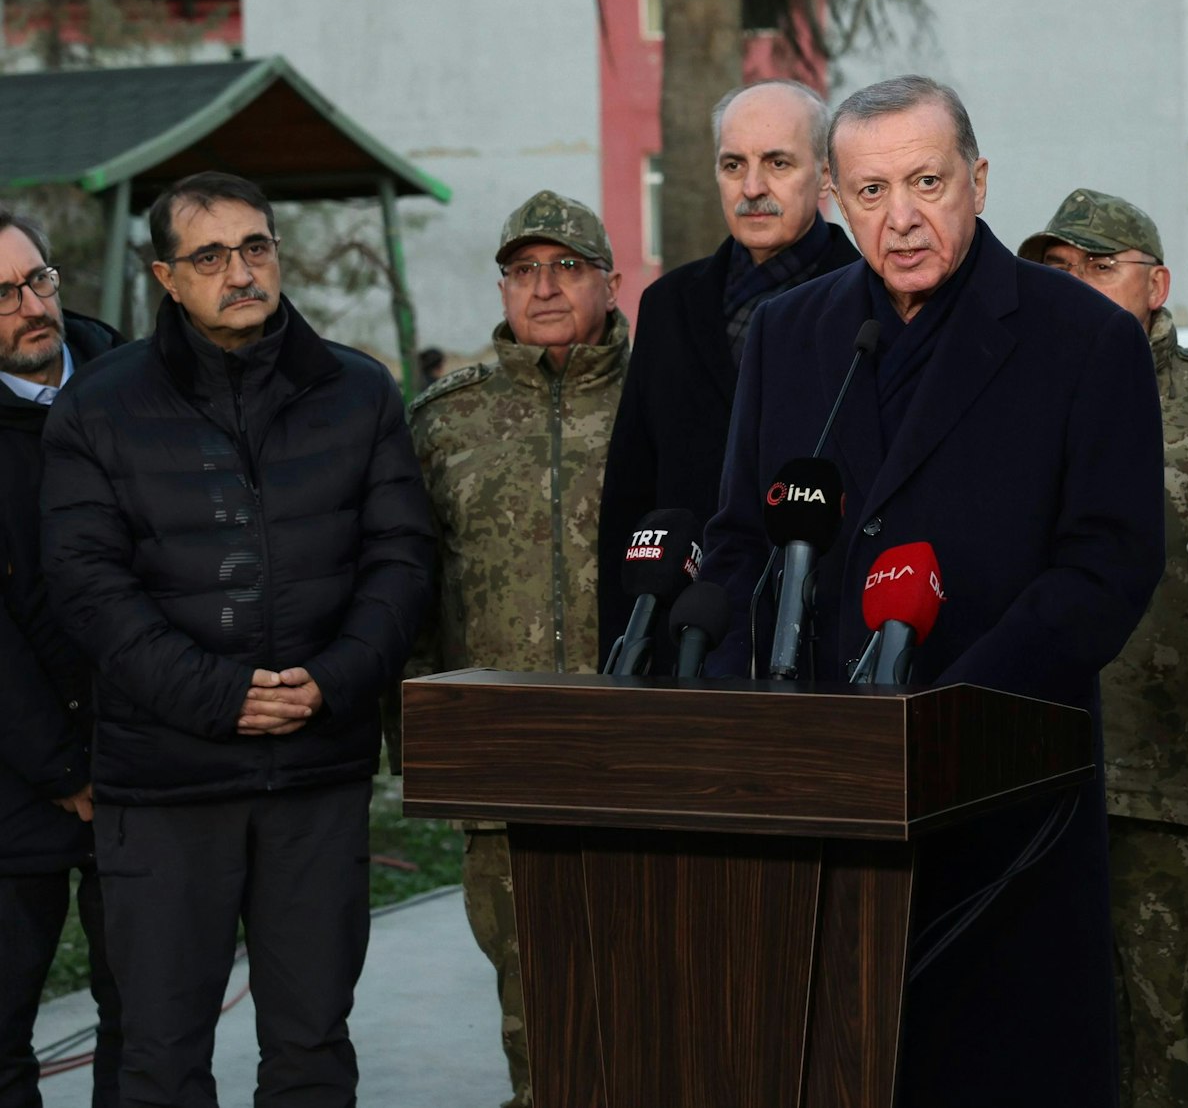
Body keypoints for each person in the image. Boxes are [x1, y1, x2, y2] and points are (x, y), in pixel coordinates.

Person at [699, 76, 1165, 1107]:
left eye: (925, 181)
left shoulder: (1083, 339)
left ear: (978, 179)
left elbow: (1106, 565)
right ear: (832, 197)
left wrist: (941, 719)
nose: (899, 217)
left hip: (1002, 804)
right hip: (818, 809)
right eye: (869, 190)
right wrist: (751, 722)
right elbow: (738, 542)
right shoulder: (789, 333)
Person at [39, 172, 435, 1108]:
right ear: (165, 276)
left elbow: (401, 559)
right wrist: (221, 694)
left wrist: (332, 681)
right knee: (161, 1056)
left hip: (315, 774)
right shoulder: (100, 405)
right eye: (210, 256)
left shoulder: (358, 390)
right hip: (167, 783)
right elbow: (89, 587)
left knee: (310, 1048)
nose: (240, 271)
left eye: (255, 247)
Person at [1018, 189, 1188, 1108]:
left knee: (1167, 1043)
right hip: (1031, 772)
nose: (1074, 286)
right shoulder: (1005, 396)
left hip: (1175, 782)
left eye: (1098, 266)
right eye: (1054, 270)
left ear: (1157, 284)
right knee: (1040, 1042)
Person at [404, 190, 629, 1108]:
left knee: (661, 996)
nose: (544, 287)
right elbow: (411, 592)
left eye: (568, 266)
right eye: (524, 269)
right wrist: (418, 744)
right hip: (505, 769)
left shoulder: (667, 402)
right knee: (532, 1011)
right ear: (502, 286)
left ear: (611, 281)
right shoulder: (444, 421)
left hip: (645, 760)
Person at [598, 79, 857, 644]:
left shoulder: (871, 304)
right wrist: (624, 650)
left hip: (821, 638)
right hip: (679, 633)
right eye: (733, 164)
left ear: (826, 177)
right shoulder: (668, 305)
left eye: (778, 162)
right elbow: (631, 495)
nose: (753, 187)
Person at [0, 210, 123, 1108]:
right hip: (14, 781)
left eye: (37, 281)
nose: (29, 306)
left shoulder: (135, 389)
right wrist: (59, 766)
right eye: (1, 296)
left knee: (150, 1023)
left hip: (141, 759)